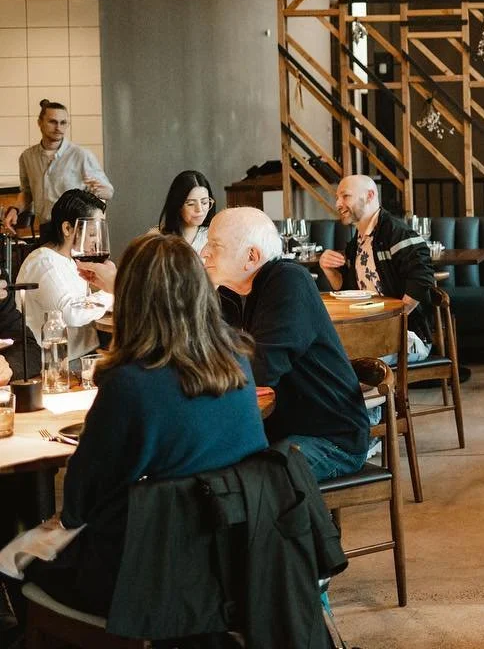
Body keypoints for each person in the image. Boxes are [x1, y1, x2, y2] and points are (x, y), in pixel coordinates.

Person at [18, 233, 267, 617]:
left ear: (130, 298)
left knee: (16, 557)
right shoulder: (238, 362)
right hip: (238, 559)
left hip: (147, 578)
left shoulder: (130, 382)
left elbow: (80, 502)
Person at [203, 207, 370, 481]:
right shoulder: (231, 294)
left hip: (331, 440)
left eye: (215, 246)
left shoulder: (287, 280)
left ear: (252, 256)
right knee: (200, 470)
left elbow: (262, 368)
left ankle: (309, 524)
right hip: (277, 430)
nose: (204, 253)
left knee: (240, 485)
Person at [319, 175, 436, 360]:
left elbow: (422, 278)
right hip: (367, 332)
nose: (338, 204)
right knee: (321, 356)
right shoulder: (356, 242)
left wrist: (392, 322)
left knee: (353, 365)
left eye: (345, 196)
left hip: (407, 336)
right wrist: (328, 269)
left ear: (370, 195)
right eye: (337, 197)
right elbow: (347, 291)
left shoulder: (397, 232)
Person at [15, 189, 112, 364]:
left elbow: (84, 303)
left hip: (84, 354)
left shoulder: (71, 260)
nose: (97, 241)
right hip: (59, 365)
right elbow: (71, 314)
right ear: (67, 228)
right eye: (92, 234)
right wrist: (112, 291)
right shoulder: (44, 262)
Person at [3, 100, 113, 232]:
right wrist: (14, 210)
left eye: (63, 123)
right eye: (52, 122)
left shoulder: (81, 155)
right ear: (40, 122)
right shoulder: (27, 157)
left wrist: (100, 190)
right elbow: (27, 193)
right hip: (46, 228)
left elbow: (108, 191)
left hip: (75, 229)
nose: (58, 127)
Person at [153, 170, 217, 253]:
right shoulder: (157, 237)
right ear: (177, 205)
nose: (199, 210)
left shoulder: (213, 237)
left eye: (204, 202)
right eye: (190, 204)